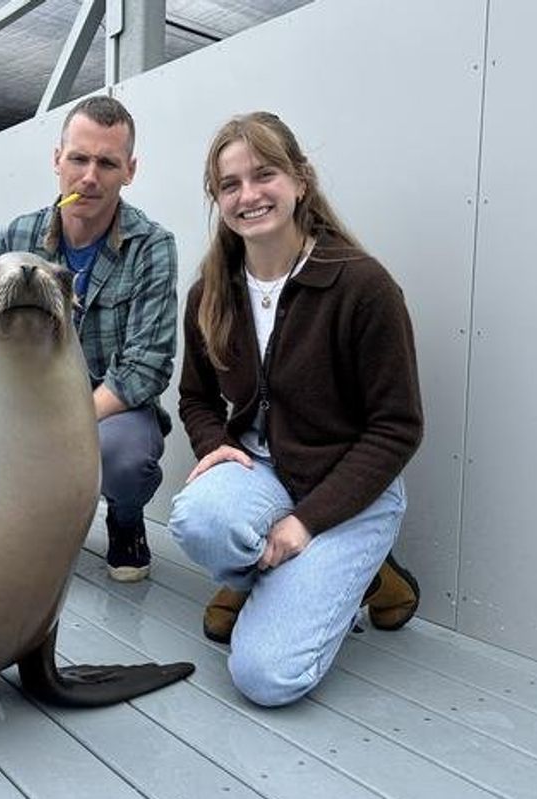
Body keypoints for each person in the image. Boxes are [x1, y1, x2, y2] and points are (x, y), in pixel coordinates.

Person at [168, 112, 423, 706]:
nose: (248, 195)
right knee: (199, 517)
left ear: (300, 180)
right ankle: (278, 573)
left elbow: (397, 427)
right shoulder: (211, 291)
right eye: (229, 184)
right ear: (217, 198)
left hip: (350, 493)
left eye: (264, 175)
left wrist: (306, 523)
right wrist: (215, 446)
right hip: (265, 473)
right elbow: (195, 396)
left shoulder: (363, 286)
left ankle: (360, 567)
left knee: (266, 678)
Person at [0, 96, 178, 582]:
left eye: (107, 163)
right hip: (33, 399)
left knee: (127, 460)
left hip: (114, 407)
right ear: (58, 160)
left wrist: (66, 420)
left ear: (129, 171)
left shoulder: (152, 245)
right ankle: (33, 518)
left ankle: (125, 518)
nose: (90, 177)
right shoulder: (18, 235)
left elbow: (149, 364)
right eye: (79, 159)